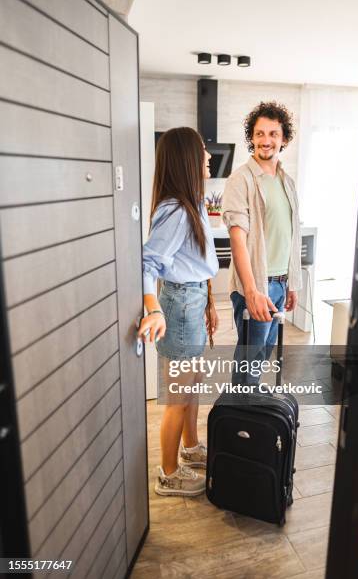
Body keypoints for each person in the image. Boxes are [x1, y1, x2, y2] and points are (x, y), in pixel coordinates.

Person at [138, 127, 219, 497]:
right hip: (179, 305)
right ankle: (168, 473)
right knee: (177, 397)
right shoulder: (174, 209)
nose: (208, 157)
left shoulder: (195, 202)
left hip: (194, 301)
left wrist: (211, 302)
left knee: (193, 385)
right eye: (202, 151)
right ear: (187, 158)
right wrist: (152, 308)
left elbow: (200, 262)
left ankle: (190, 447)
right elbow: (148, 263)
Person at [222, 101, 302, 385]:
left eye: (272, 134)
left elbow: (290, 234)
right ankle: (239, 422)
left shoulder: (286, 180)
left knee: (261, 357)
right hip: (256, 286)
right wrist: (252, 290)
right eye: (259, 134)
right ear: (251, 137)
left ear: (284, 140)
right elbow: (237, 240)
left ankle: (250, 416)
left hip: (279, 283)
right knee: (249, 361)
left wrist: (291, 282)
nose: (265, 141)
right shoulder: (240, 180)